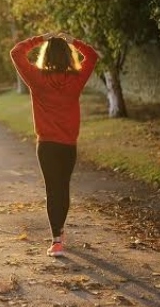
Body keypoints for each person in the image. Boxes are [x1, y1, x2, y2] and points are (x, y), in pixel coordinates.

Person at [10, 32, 99, 257]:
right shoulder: (76, 79)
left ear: (46, 55)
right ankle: (59, 232)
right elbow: (93, 55)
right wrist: (73, 41)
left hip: (47, 145)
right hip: (68, 145)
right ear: (68, 56)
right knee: (63, 187)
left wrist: (40, 38)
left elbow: (16, 52)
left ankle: (57, 240)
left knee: (53, 189)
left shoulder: (37, 78)